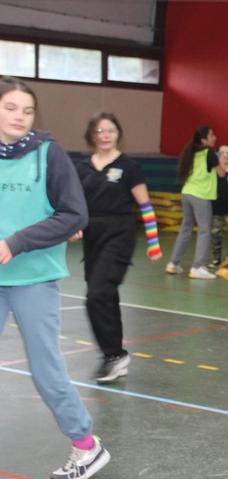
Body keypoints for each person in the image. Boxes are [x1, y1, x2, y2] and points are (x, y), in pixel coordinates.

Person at [0, 76, 110, 479]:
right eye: (11, 107)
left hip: (34, 278)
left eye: (27, 110)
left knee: (46, 370)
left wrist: (16, 242)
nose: (20, 116)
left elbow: (74, 215)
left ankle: (86, 445)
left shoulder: (49, 153)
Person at [76, 112, 163, 383]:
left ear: (118, 134)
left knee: (97, 294)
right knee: (105, 295)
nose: (106, 135)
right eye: (100, 130)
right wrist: (73, 226)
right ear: (92, 135)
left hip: (119, 234)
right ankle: (113, 355)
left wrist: (153, 242)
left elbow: (145, 206)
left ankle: (114, 355)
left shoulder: (129, 167)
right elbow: (75, 204)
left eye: (111, 130)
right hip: (92, 236)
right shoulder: (82, 167)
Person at [166, 126, 221, 279]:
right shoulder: (209, 152)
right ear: (203, 139)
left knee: (185, 229)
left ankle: (173, 263)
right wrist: (222, 160)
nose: (214, 137)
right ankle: (198, 266)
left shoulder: (192, 152)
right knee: (204, 230)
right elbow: (221, 172)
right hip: (200, 195)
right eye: (211, 135)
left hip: (187, 193)